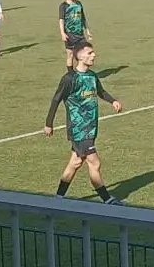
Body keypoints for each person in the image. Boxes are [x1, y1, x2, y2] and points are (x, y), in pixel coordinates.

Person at [43, 43, 123, 203]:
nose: (94, 55)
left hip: (91, 127)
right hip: (78, 129)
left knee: (76, 162)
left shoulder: (92, 76)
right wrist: (49, 123)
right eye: (90, 53)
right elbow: (56, 99)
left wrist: (113, 101)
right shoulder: (69, 79)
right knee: (94, 163)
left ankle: (58, 199)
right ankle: (107, 200)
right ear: (79, 56)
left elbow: (100, 92)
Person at [59, 0, 91, 68]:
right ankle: (70, 73)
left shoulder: (79, 4)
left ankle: (82, 71)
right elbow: (61, 20)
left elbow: (83, 18)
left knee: (84, 53)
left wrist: (87, 30)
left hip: (80, 34)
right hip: (70, 34)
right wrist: (62, 33)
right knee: (70, 54)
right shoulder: (63, 6)